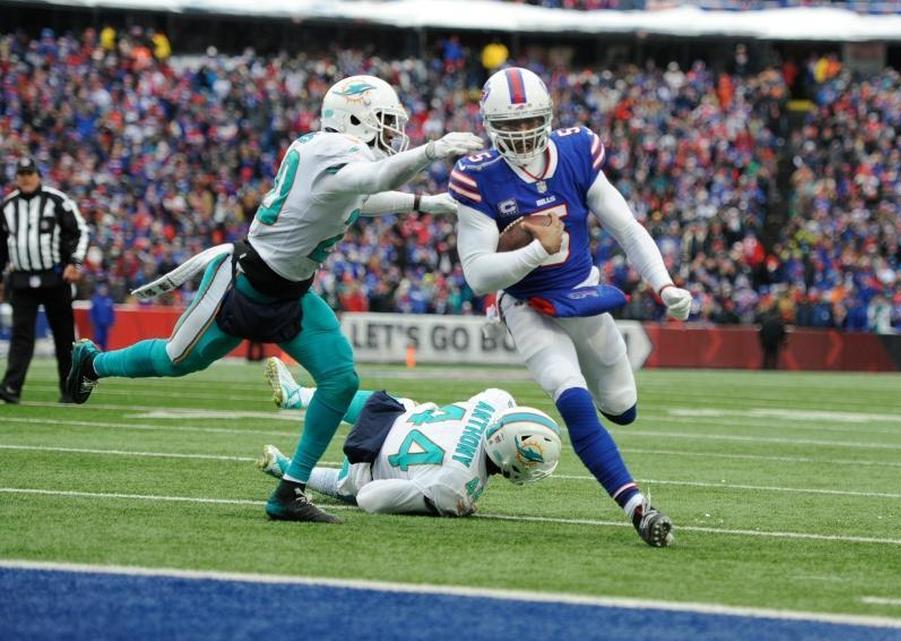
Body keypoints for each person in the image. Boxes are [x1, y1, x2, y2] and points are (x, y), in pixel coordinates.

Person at [65, 75, 482, 523]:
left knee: (340, 379)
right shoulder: (333, 151)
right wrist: (432, 151)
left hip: (290, 294)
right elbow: (374, 178)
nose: (391, 132)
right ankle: (91, 363)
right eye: (383, 121)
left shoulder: (331, 154)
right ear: (354, 118)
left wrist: (423, 203)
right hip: (242, 284)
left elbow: (362, 195)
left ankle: (289, 491)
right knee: (175, 360)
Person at [448, 67, 693, 547]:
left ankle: (612, 421)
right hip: (527, 304)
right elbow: (477, 274)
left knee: (621, 408)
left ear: (548, 116)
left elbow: (626, 227)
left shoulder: (578, 150)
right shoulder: (477, 176)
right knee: (574, 399)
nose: (521, 133)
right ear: (489, 124)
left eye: (529, 121)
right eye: (510, 124)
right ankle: (638, 508)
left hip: (582, 294)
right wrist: (536, 250)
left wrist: (663, 286)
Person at [259, 361, 560, 516]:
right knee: (356, 484)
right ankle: (287, 468)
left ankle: (299, 395)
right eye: (529, 460)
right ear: (507, 455)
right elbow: (370, 499)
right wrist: (457, 507)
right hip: (366, 462)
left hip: (386, 414)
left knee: (404, 404)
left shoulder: (496, 400)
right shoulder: (452, 488)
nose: (532, 467)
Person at [1, 157, 89, 404]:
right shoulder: (7, 206)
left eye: (30, 173)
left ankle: (69, 389)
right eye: (21, 174)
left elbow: (81, 231)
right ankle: (11, 388)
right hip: (21, 280)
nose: (26, 178)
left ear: (38, 175)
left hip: (55, 278)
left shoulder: (57, 200)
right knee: (21, 336)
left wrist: (75, 263)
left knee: (63, 337)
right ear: (16, 177)